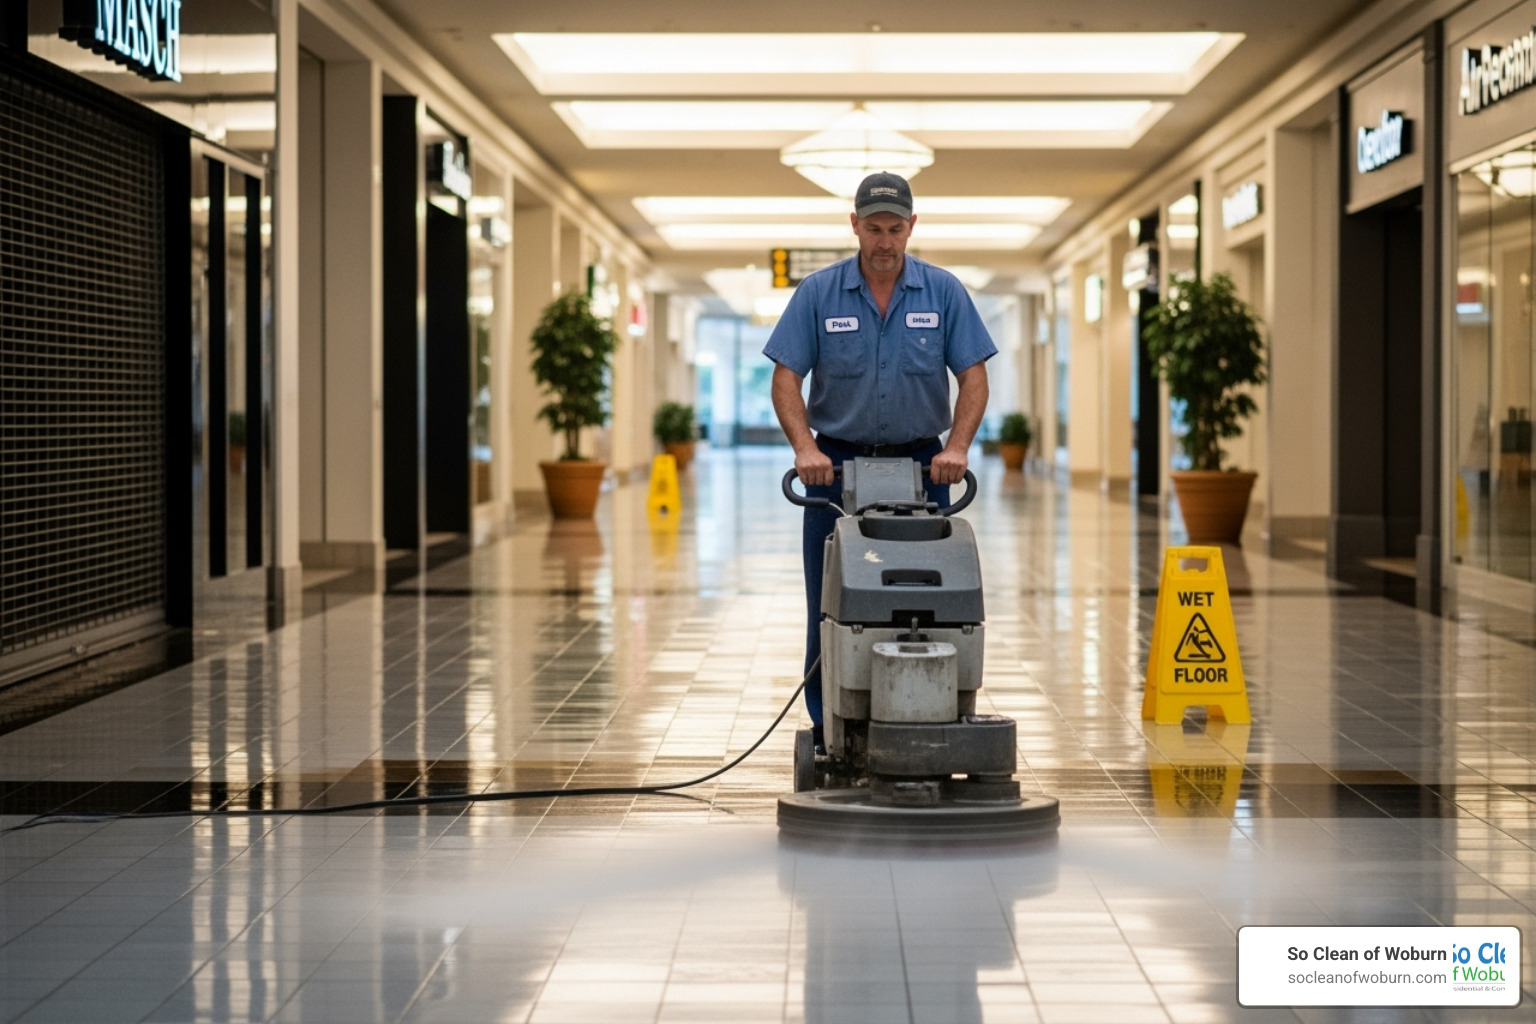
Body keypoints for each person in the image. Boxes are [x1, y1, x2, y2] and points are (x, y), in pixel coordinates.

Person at [762, 171, 996, 749]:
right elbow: (786, 379)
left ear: (912, 227)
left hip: (924, 472)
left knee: (928, 598)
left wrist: (957, 448)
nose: (885, 242)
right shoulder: (818, 293)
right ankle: (830, 726)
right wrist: (806, 449)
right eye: (874, 229)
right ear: (854, 227)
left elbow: (974, 377)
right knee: (830, 601)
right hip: (833, 475)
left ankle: (928, 708)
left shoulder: (943, 293)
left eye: (895, 229)